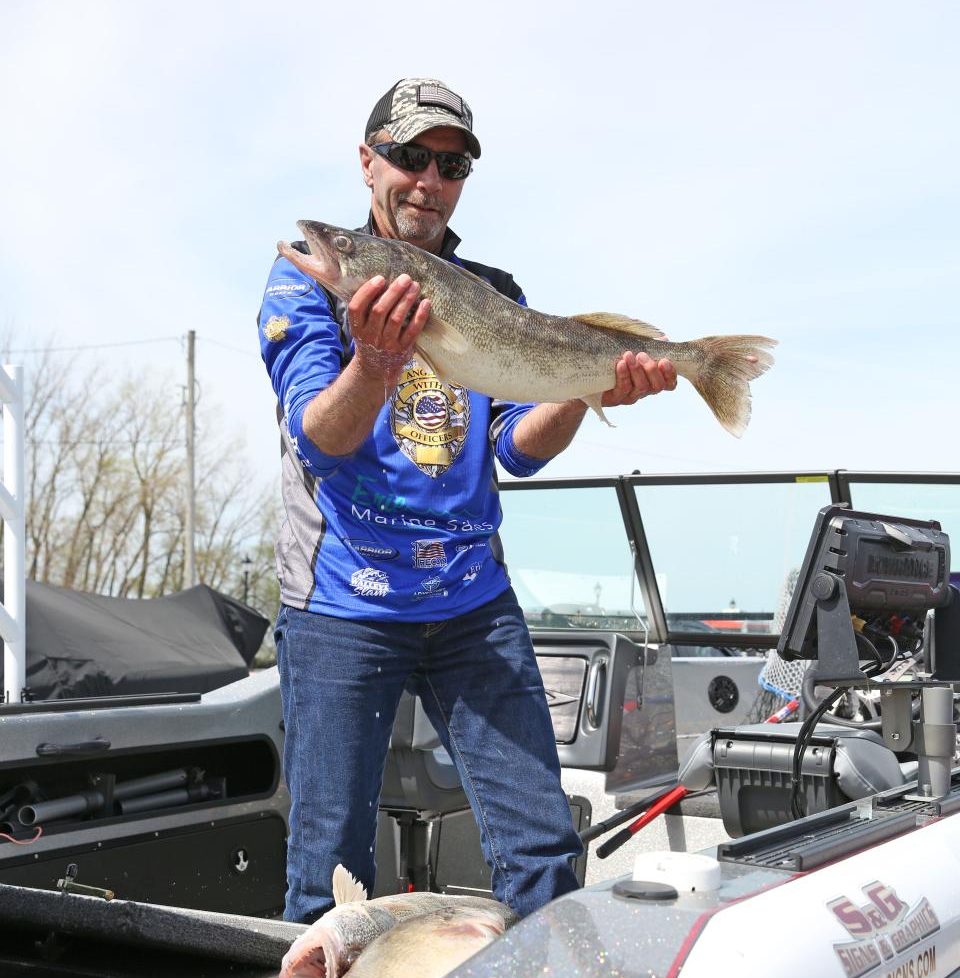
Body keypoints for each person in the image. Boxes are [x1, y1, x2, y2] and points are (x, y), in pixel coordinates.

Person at [258, 76, 677, 924]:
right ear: (368, 163)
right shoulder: (304, 286)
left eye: (450, 165)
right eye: (410, 157)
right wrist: (375, 362)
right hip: (342, 604)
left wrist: (591, 389)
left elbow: (515, 450)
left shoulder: (494, 292)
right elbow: (318, 437)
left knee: (544, 849)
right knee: (328, 874)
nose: (429, 179)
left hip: (471, 604)